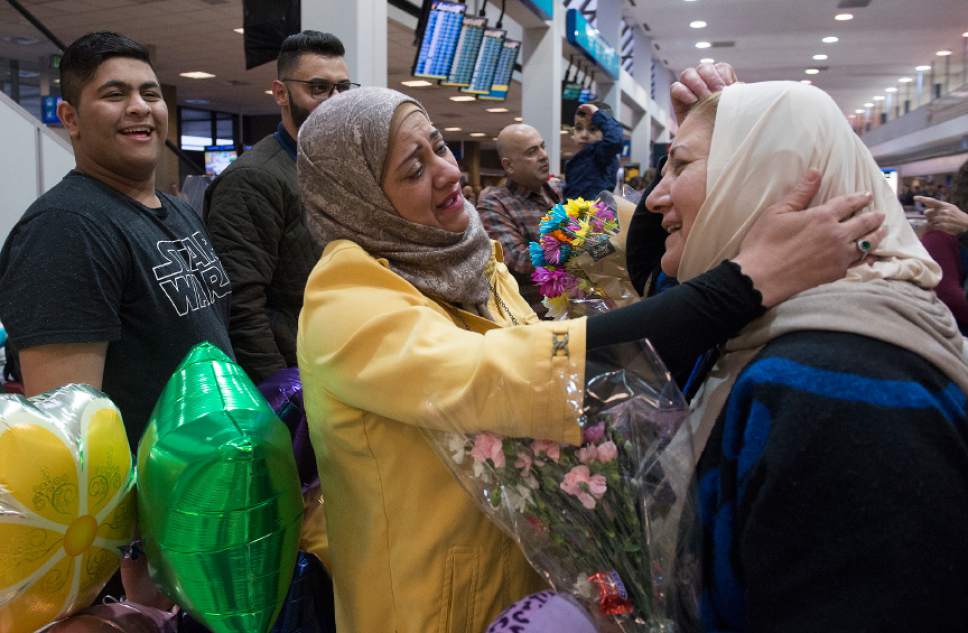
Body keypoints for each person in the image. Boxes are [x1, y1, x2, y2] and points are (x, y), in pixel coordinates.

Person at [294, 85, 884, 633]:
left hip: (525, 586)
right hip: (425, 604)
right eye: (414, 168)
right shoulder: (346, 302)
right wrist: (742, 281)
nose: (448, 171)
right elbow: (508, 374)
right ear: (360, 200)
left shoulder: (464, 258)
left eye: (440, 145)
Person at [645, 81, 968, 632]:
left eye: (679, 166)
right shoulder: (776, 333)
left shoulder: (842, 385)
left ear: (758, 179)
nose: (654, 197)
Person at [0, 32, 232, 447]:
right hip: (149, 500)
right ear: (70, 118)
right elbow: (69, 435)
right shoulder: (65, 230)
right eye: (114, 94)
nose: (140, 107)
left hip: (213, 481)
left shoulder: (174, 209)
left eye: (150, 93)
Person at [204, 30, 352, 384]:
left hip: (344, 364)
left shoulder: (340, 165)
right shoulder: (252, 179)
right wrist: (283, 397)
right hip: (300, 378)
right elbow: (240, 306)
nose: (334, 100)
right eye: (318, 88)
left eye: (342, 88)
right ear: (281, 93)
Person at [477, 123, 561, 312]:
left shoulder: (556, 192)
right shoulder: (494, 203)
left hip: (578, 305)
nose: (543, 155)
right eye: (532, 152)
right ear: (509, 165)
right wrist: (574, 239)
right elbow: (520, 261)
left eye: (542, 147)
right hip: (537, 316)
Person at [563, 101, 623, 200]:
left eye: (592, 129)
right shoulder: (574, 161)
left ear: (605, 131)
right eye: (578, 128)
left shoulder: (601, 154)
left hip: (595, 213)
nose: (584, 135)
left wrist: (597, 114)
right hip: (575, 212)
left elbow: (615, 140)